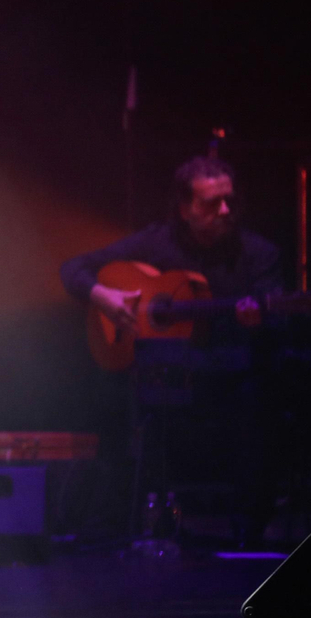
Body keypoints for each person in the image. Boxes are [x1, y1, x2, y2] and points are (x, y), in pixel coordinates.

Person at [59, 155, 285, 544]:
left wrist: (260, 317)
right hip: (165, 374)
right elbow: (73, 268)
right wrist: (104, 297)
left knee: (258, 399)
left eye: (229, 201)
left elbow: (277, 313)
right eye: (212, 204)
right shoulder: (155, 242)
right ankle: (114, 523)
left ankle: (247, 528)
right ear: (185, 209)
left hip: (228, 374)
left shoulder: (258, 253)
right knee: (111, 393)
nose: (226, 211)